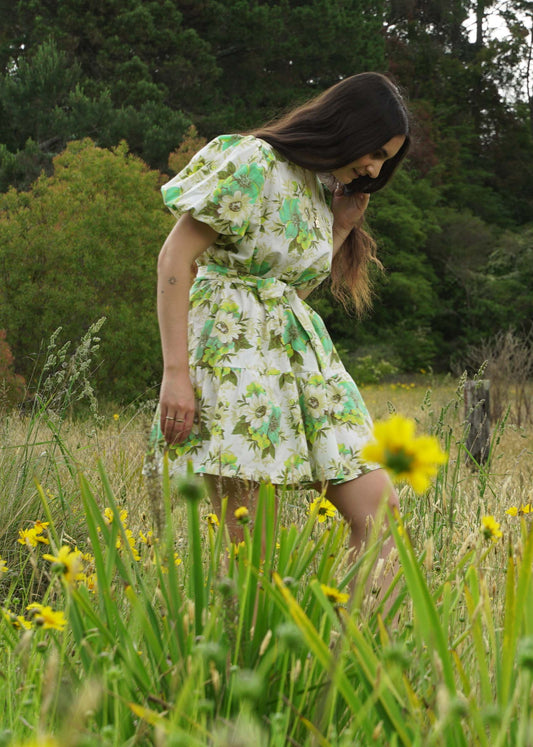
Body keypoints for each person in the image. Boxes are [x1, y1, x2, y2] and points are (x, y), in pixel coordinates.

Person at [150, 72, 410, 582]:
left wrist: (339, 227)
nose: (375, 168)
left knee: (381, 514)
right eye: (376, 151)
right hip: (235, 361)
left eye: (386, 160)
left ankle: (350, 654)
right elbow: (174, 258)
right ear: (348, 124)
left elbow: (286, 288)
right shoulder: (253, 160)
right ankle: (246, 656)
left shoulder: (321, 189)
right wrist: (176, 373)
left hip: (302, 365)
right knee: (256, 551)